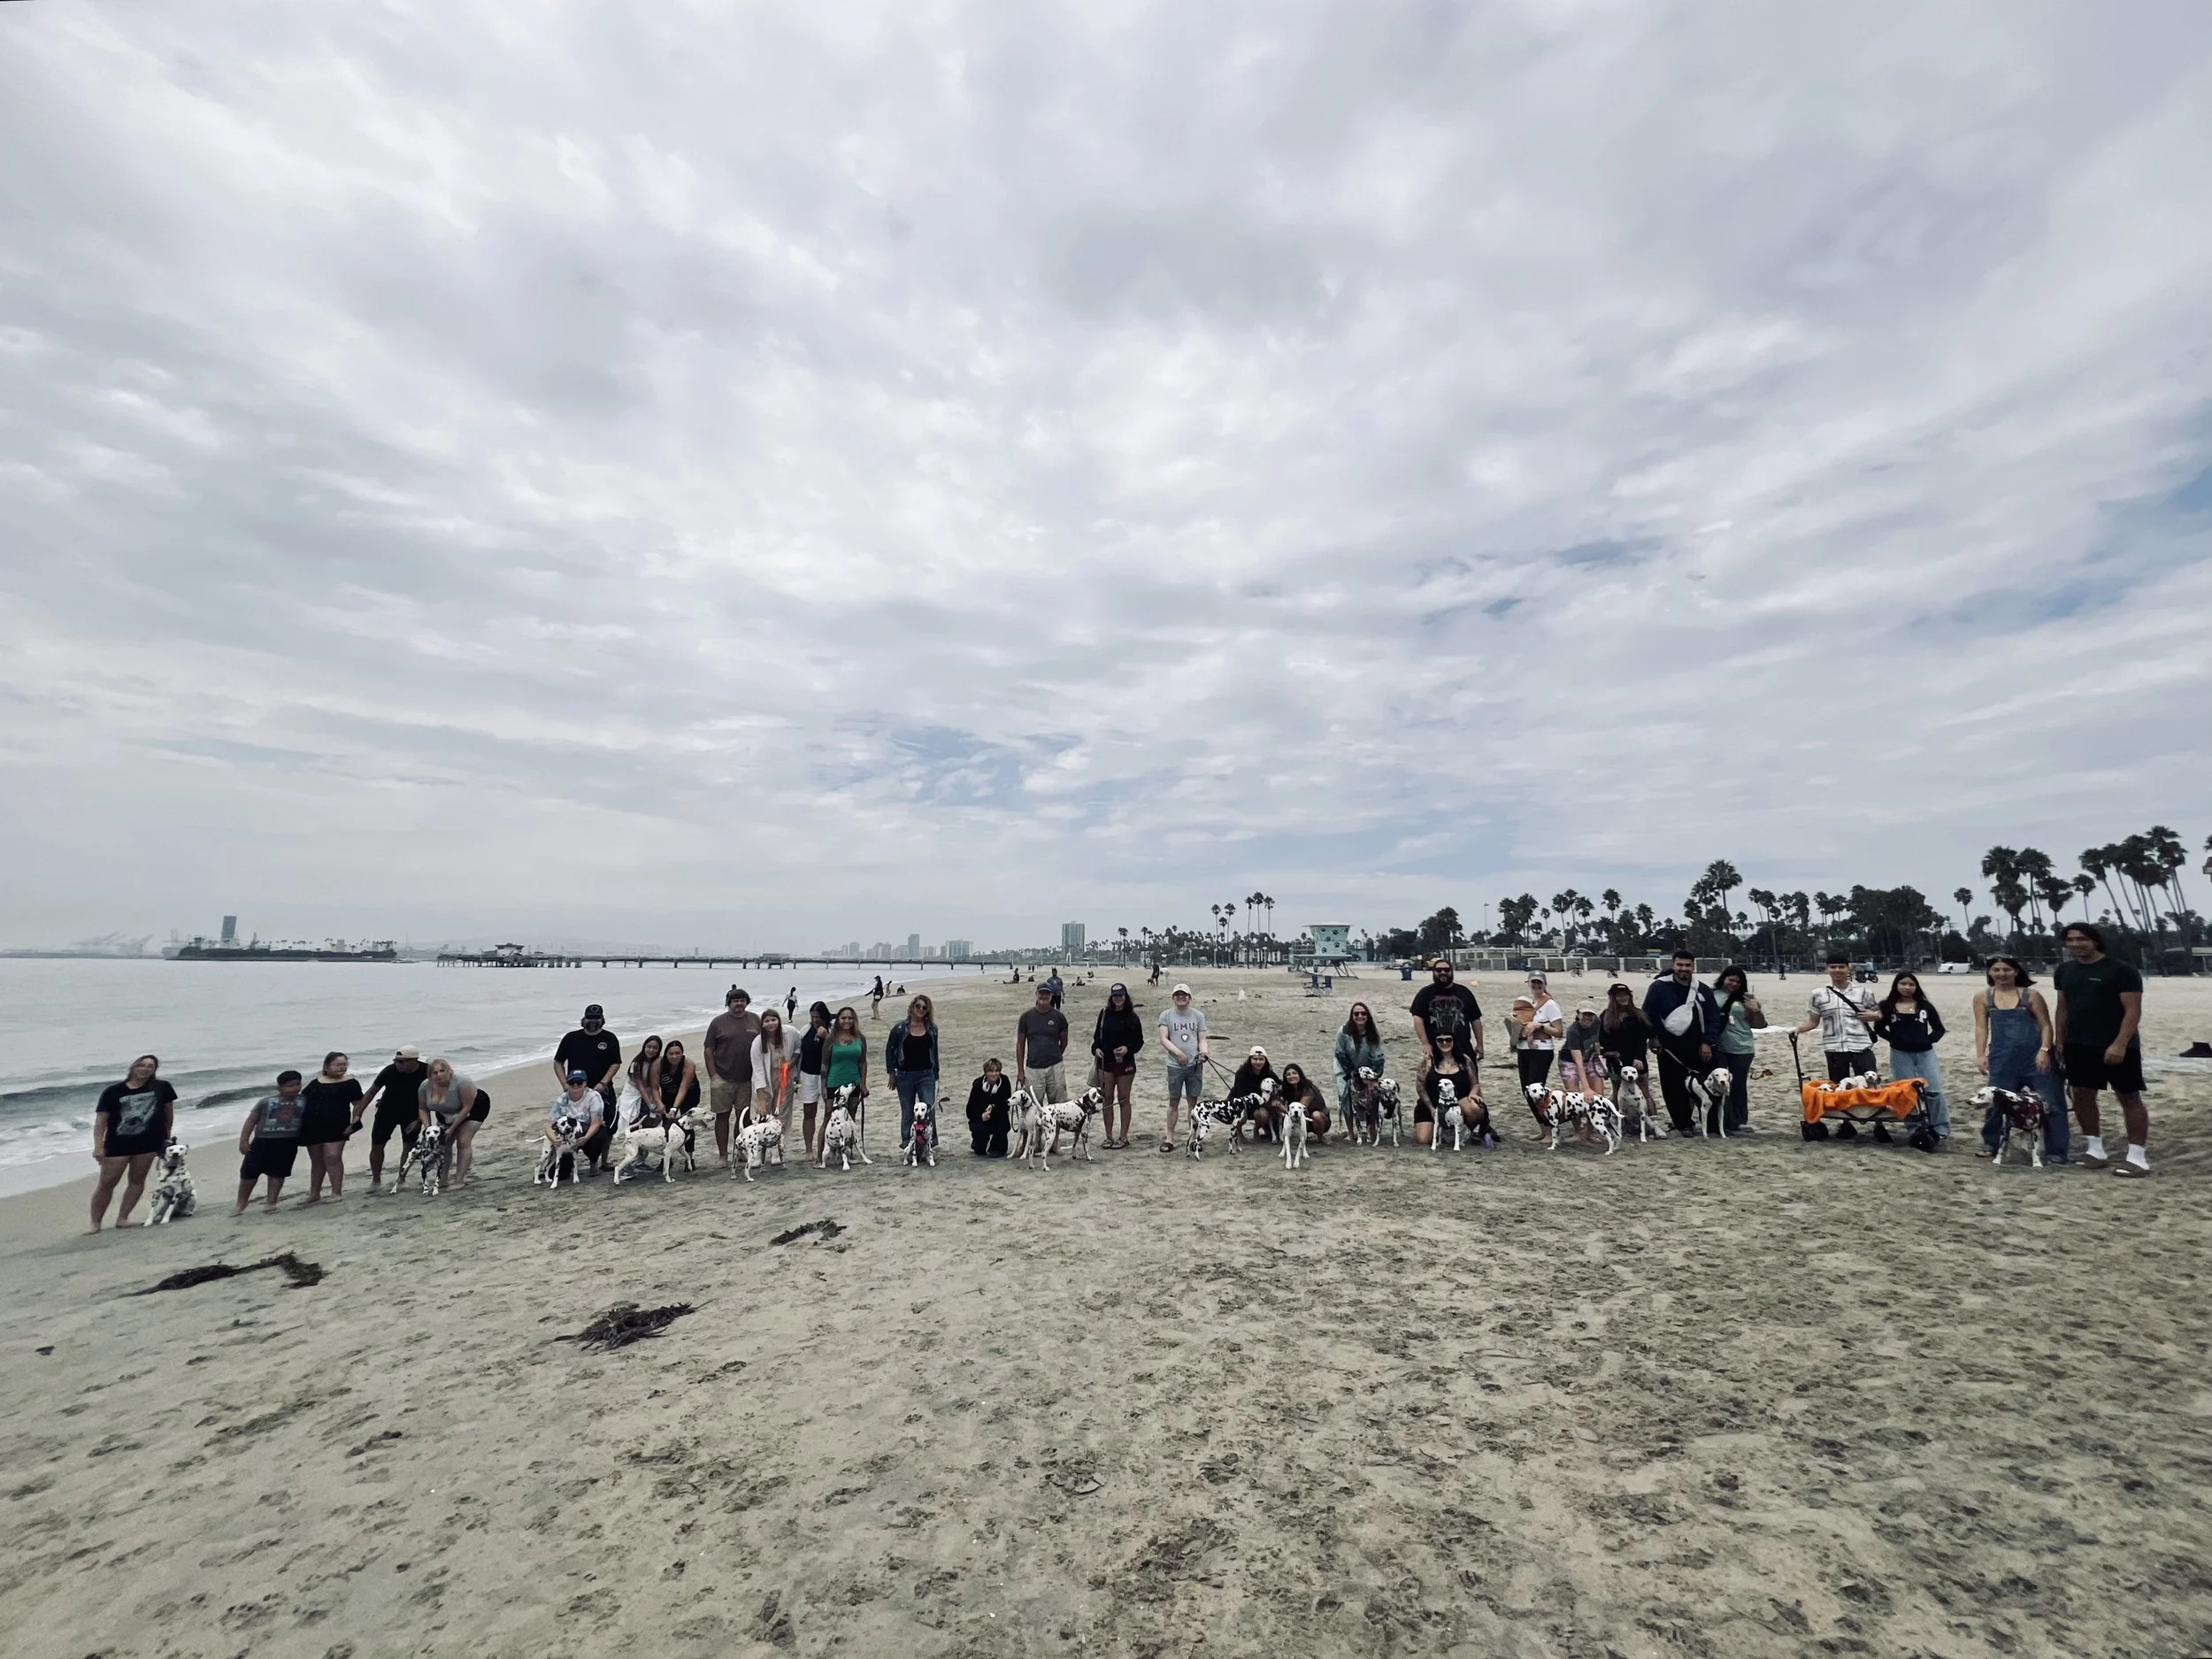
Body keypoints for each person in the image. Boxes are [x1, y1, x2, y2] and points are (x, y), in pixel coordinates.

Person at [2054, 923, 2148, 1176]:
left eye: (2081, 939)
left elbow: (2133, 1011)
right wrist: (2060, 1041)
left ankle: (2137, 1157)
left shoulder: (2121, 970)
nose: (2075, 944)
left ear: (2095, 941)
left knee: (2128, 1096)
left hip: (2117, 1044)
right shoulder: (2064, 971)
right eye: (2070, 940)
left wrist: (2120, 1043)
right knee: (2082, 1095)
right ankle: (2095, 1150)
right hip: (2078, 1044)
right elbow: (2062, 1008)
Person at [1973, 956, 2065, 1163]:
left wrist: (2044, 1050)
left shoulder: (2030, 995)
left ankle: (2056, 1151)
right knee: (1996, 1101)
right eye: (1996, 970)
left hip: (2035, 1058)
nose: (2001, 974)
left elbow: (2046, 1026)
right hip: (2002, 1058)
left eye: (2007, 969)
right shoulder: (1983, 997)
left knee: (2050, 1102)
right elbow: (1981, 1027)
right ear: (1989, 973)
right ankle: (1991, 1143)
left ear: (2016, 971)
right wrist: (1980, 1055)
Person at [89, 1053, 177, 1233]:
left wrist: (166, 1138)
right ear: (133, 1067)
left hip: (148, 1143)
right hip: (117, 1144)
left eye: (150, 1066)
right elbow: (101, 1122)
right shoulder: (113, 1092)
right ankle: (95, 1223)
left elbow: (169, 1114)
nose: (145, 1069)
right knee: (107, 1182)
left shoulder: (162, 1087)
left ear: (154, 1070)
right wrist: (98, 1146)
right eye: (141, 1065)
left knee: (137, 1180)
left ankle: (123, 1217)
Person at [1643, 950, 1722, 1134]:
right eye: (1680, 965)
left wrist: (1708, 1042)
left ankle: (1709, 1125)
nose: (1683, 969)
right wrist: (1653, 1037)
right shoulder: (1659, 988)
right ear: (1673, 965)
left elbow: (1713, 1017)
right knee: (1673, 1087)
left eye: (1687, 965)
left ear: (1693, 967)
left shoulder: (1702, 989)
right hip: (1669, 1048)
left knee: (1706, 1085)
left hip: (1700, 1047)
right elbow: (1648, 1014)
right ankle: (1683, 1124)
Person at [1873, 971, 1949, 1144]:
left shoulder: (1925, 1006)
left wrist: (1927, 1040)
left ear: (1916, 987)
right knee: (1906, 1093)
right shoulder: (1887, 1006)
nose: (1907, 988)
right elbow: (1879, 1028)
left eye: (1911, 984)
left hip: (1925, 1053)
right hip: (1900, 1054)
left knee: (1934, 1091)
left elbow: (1939, 1029)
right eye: (1903, 984)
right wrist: (1895, 1040)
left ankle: (1940, 1128)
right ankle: (1914, 1129)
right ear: (1896, 986)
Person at [553, 1005, 624, 1162]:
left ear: (602, 1020)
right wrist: (565, 1084)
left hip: (602, 1089)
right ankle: (568, 1157)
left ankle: (603, 1161)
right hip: (575, 1089)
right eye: (590, 1018)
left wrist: (603, 1083)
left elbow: (615, 1063)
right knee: (571, 1123)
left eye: (596, 1018)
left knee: (609, 1125)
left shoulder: (610, 1038)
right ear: (584, 1019)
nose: (593, 1021)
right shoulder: (571, 1038)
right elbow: (558, 1061)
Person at [1794, 953, 1879, 1082]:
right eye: (1833, 967)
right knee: (1839, 1086)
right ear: (1827, 969)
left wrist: (1875, 1015)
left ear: (1848, 969)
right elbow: (1813, 1021)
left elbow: (1879, 1014)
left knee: (1868, 1085)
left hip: (1861, 1046)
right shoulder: (1818, 994)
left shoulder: (1864, 993)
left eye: (1841, 967)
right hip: (1834, 1048)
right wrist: (1798, 1030)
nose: (1837, 970)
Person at [703, 987, 763, 1165]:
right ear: (728, 1003)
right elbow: (708, 1049)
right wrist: (713, 1075)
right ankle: (723, 1155)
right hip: (722, 1077)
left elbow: (764, 1044)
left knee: (743, 1118)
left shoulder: (754, 1019)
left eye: (742, 1000)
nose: (739, 1004)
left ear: (747, 1002)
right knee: (722, 1117)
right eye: (735, 1001)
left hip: (746, 1078)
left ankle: (741, 1151)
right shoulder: (718, 1022)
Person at [236, 1070, 306, 1213]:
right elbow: (251, 1120)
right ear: (279, 1087)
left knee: (278, 1173)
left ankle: (271, 1202)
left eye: (297, 1085)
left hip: (288, 1142)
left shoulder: (304, 1100)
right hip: (262, 1141)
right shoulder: (267, 1101)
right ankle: (241, 1203)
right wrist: (244, 1140)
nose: (294, 1088)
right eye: (289, 1086)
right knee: (249, 1172)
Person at [359, 1045, 428, 1192]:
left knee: (409, 1146)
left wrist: (419, 1120)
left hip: (412, 1112)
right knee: (377, 1145)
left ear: (414, 1060)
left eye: (402, 1062)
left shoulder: (426, 1071)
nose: (398, 1064)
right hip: (387, 1111)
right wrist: (357, 1114)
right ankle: (376, 1180)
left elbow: (433, 1096)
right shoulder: (389, 1071)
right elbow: (371, 1093)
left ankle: (401, 1179)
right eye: (396, 1061)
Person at [297, 1051, 361, 1203]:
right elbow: (301, 1102)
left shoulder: (351, 1083)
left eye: (344, 1064)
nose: (342, 1068)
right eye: (338, 1064)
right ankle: (314, 1193)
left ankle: (336, 1193)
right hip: (312, 1127)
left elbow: (358, 1105)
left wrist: (355, 1124)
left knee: (333, 1157)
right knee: (317, 1160)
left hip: (338, 1126)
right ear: (326, 1065)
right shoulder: (315, 1082)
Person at [1709, 967, 1763, 1135]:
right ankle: (1718, 1121)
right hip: (1718, 1046)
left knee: (1738, 1085)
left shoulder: (1747, 998)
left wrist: (1755, 1010)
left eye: (1738, 982)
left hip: (1742, 1047)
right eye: (1730, 980)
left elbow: (1760, 1024)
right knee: (1717, 1084)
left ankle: (1739, 1121)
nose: (1733, 984)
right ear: (1723, 978)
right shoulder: (1711, 994)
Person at [1090, 983, 1144, 1149]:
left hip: (1125, 1063)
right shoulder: (1105, 1014)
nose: (1118, 999)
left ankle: (1123, 1136)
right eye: (1115, 996)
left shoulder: (1132, 1017)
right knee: (1107, 1099)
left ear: (1125, 997)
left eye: (1121, 995)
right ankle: (1108, 1136)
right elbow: (1096, 1038)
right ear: (1111, 997)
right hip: (1105, 1063)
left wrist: (1128, 1048)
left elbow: (1139, 1041)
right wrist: (1096, 1049)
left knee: (1123, 1099)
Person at [1156, 983, 1210, 1153]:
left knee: (1193, 1103)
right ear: (1173, 997)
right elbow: (1164, 1039)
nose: (1181, 997)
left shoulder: (1198, 1016)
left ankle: (1193, 1138)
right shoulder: (1166, 1015)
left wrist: (1203, 1053)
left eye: (1184, 994)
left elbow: (1202, 1038)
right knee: (1174, 1101)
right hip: (1174, 1065)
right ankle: (1170, 1137)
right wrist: (1178, 1053)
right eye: (1178, 994)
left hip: (1194, 1065)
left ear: (1189, 997)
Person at [1417, 1030, 1492, 1146]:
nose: (1445, 1043)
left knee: (1475, 1107)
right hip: (1433, 1104)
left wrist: (1473, 1093)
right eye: (1440, 1040)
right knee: (1424, 1140)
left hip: (1457, 1102)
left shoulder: (1464, 1060)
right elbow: (1420, 1087)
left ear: (1454, 1041)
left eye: (1448, 1039)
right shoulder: (1428, 1061)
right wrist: (1431, 1109)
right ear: (1435, 1042)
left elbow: (1475, 1083)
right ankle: (1440, 1131)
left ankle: (1465, 1131)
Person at [417, 1058, 484, 1187]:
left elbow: (466, 1108)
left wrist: (452, 1129)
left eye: (442, 1071)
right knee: (443, 1144)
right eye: (435, 1073)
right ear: (430, 1075)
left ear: (449, 1071)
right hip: (445, 1112)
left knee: (463, 1140)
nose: (439, 1075)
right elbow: (422, 1108)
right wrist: (428, 1128)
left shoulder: (462, 1082)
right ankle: (442, 1179)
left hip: (473, 1108)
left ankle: (459, 1179)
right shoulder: (425, 1086)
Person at [886, 995, 941, 1150]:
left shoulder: (932, 1029)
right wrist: (891, 1073)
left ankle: (930, 1141)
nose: (921, 1010)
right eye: (918, 1006)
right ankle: (907, 1143)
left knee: (928, 1109)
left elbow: (934, 1052)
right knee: (908, 1111)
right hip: (904, 1075)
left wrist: (936, 1075)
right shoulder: (899, 1029)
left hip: (926, 1074)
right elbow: (889, 1051)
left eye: (924, 1008)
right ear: (912, 1007)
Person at [1410, 958, 1485, 1067]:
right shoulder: (1425, 994)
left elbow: (1475, 1019)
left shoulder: (1464, 992)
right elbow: (1418, 1019)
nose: (1443, 973)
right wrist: (1425, 1044)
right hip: (1436, 1048)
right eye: (1439, 970)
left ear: (1452, 971)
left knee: (1469, 1080)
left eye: (1446, 970)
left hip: (1463, 1047)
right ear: (1433, 972)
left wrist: (1480, 1044)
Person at [1016, 985, 1071, 1103]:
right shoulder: (1026, 1017)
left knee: (1059, 1104)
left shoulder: (1059, 1017)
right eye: (1041, 993)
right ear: (1036, 994)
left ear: (1051, 996)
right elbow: (1020, 1044)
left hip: (1055, 1067)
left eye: (1047, 994)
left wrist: (1055, 1054)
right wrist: (1021, 1071)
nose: (1044, 996)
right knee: (1032, 1105)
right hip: (1033, 1068)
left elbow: (1064, 1041)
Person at [1333, 1002, 1386, 1125]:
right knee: (1346, 1096)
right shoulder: (1343, 1032)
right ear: (1352, 1016)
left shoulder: (1372, 1032)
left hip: (1365, 1067)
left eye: (1363, 1013)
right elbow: (1340, 1054)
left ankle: (1371, 1128)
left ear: (1368, 1016)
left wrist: (1374, 1076)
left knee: (1371, 1095)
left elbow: (1378, 1057)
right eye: (1356, 1014)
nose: (1360, 1016)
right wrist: (1352, 1073)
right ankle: (1351, 1132)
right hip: (1344, 1068)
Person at [1595, 984, 1653, 1094]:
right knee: (1617, 1090)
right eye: (1620, 995)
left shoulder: (1638, 1014)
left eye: (1626, 995)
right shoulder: (1606, 1015)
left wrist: (1639, 1057)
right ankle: (1618, 1112)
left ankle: (1651, 1113)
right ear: (1613, 998)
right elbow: (1602, 1037)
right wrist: (1607, 1052)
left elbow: (1642, 1039)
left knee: (1644, 1091)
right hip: (1615, 1060)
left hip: (1636, 1059)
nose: (1624, 998)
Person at [1516, 973, 1565, 1095]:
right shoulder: (1526, 1003)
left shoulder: (1550, 1004)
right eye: (1534, 982)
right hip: (1523, 1049)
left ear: (1545, 984)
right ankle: (1539, 1114)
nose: (1536, 985)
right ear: (1528, 983)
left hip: (1541, 1050)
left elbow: (1559, 1032)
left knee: (1536, 1090)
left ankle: (1543, 1114)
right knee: (1526, 1090)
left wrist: (1540, 1026)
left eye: (1539, 983)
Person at [823, 1006, 870, 1135]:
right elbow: (824, 1064)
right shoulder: (831, 1039)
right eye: (843, 1018)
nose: (847, 1021)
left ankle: (848, 1150)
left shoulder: (860, 1038)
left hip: (853, 1082)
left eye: (850, 1018)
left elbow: (863, 1062)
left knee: (850, 1116)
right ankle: (821, 1154)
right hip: (834, 1082)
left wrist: (864, 1085)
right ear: (838, 1020)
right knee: (829, 1117)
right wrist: (824, 1087)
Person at [545, 1070, 603, 1171]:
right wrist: (554, 1139)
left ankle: (593, 1162)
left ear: (585, 1083)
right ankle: (556, 1165)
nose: (575, 1085)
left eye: (579, 1082)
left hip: (586, 1131)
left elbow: (596, 1123)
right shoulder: (562, 1100)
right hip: (567, 1137)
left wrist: (586, 1138)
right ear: (567, 1084)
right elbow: (548, 1125)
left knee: (599, 1136)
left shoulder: (593, 1097)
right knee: (560, 1173)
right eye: (572, 1083)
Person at [797, 1002, 833, 1158]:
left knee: (830, 1111)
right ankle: (808, 1149)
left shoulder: (833, 1028)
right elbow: (799, 1052)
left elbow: (838, 1048)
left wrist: (827, 1037)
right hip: (808, 1075)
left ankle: (828, 1146)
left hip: (828, 1075)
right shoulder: (805, 1030)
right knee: (808, 1111)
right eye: (812, 1017)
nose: (815, 1020)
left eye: (817, 1017)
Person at [750, 1009, 796, 1128]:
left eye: (773, 1020)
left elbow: (798, 1047)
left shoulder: (790, 1032)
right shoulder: (758, 1043)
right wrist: (761, 1099)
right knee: (763, 1114)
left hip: (785, 1080)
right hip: (765, 1082)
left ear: (779, 1020)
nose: (771, 1023)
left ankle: (781, 1142)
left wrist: (790, 1063)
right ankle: (763, 1144)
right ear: (762, 1024)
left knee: (782, 1115)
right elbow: (758, 1071)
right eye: (767, 1021)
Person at [1228, 1046, 1281, 1141]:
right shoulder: (1241, 1073)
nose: (1258, 1062)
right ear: (1250, 1059)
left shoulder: (1269, 1073)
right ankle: (1238, 1131)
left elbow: (1280, 1085)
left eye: (1261, 1059)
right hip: (1240, 1102)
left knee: (1262, 1115)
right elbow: (1240, 1095)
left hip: (1258, 1104)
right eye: (1255, 1059)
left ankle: (1256, 1129)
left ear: (1265, 1060)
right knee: (1241, 1115)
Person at [966, 1058, 1012, 1156]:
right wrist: (981, 1116)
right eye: (991, 1071)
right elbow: (969, 1110)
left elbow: (1006, 1105)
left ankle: (996, 1147)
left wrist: (993, 1108)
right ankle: (978, 1143)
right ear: (986, 1072)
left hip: (997, 1117)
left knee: (1003, 1120)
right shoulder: (978, 1085)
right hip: (981, 1118)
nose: (994, 1074)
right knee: (980, 1148)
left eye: (997, 1071)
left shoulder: (1004, 1082)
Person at [1560, 1005, 1607, 1100]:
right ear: (1578, 1015)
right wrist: (1586, 1088)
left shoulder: (1597, 1022)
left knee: (1599, 1096)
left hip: (1590, 1058)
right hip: (1570, 1060)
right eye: (1584, 1014)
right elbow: (1578, 1061)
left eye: (1591, 1015)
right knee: (1574, 1096)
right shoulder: (1573, 1031)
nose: (1588, 1018)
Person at [1278, 1063, 1329, 1142]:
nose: (1291, 1076)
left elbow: (1299, 1110)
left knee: (1316, 1115)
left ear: (1300, 1075)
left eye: (1294, 1073)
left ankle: (1320, 1138)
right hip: (1303, 1119)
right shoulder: (1286, 1089)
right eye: (1288, 1074)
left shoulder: (1308, 1089)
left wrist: (1279, 1105)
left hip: (1319, 1120)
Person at [626, 1035, 666, 1124]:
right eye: (649, 1047)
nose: (651, 1050)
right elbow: (641, 1088)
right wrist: (651, 1106)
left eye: (655, 1048)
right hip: (635, 1093)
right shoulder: (636, 1064)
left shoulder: (658, 1063)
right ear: (644, 1047)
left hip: (651, 1092)